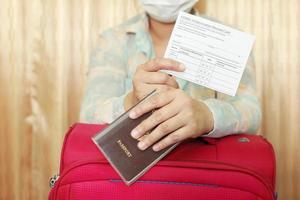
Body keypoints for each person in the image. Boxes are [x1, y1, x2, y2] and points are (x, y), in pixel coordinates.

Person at [80, 0, 261, 152]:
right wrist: (131, 102)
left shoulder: (229, 40)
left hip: (204, 176)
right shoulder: (113, 40)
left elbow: (251, 113)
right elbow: (89, 115)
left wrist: (207, 116)